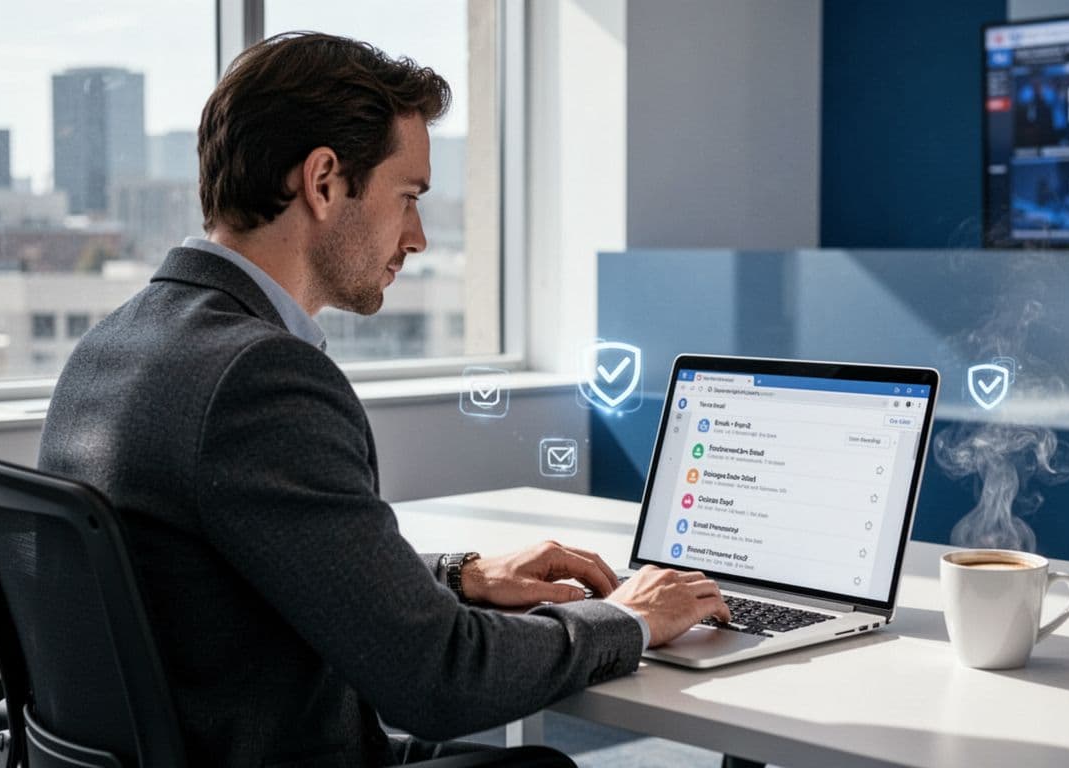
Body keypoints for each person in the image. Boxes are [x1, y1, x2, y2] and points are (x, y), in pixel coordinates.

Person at [37, 32, 729, 767]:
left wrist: (458, 574)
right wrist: (625, 619)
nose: (420, 237)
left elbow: (259, 563)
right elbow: (438, 680)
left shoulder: (114, 345)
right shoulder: (259, 378)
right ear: (325, 181)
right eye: (410, 198)